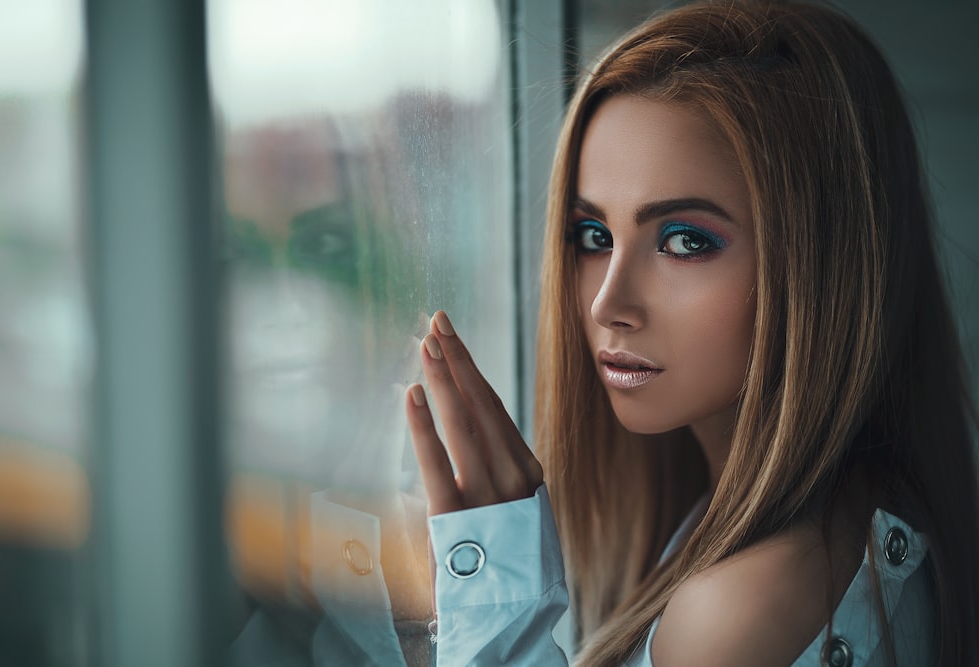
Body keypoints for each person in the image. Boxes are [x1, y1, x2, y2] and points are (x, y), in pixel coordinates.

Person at [405, 1, 979, 665]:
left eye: (684, 240)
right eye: (593, 235)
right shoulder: (843, 518)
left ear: (827, 264)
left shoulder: (741, 609)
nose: (607, 304)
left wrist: (497, 621)